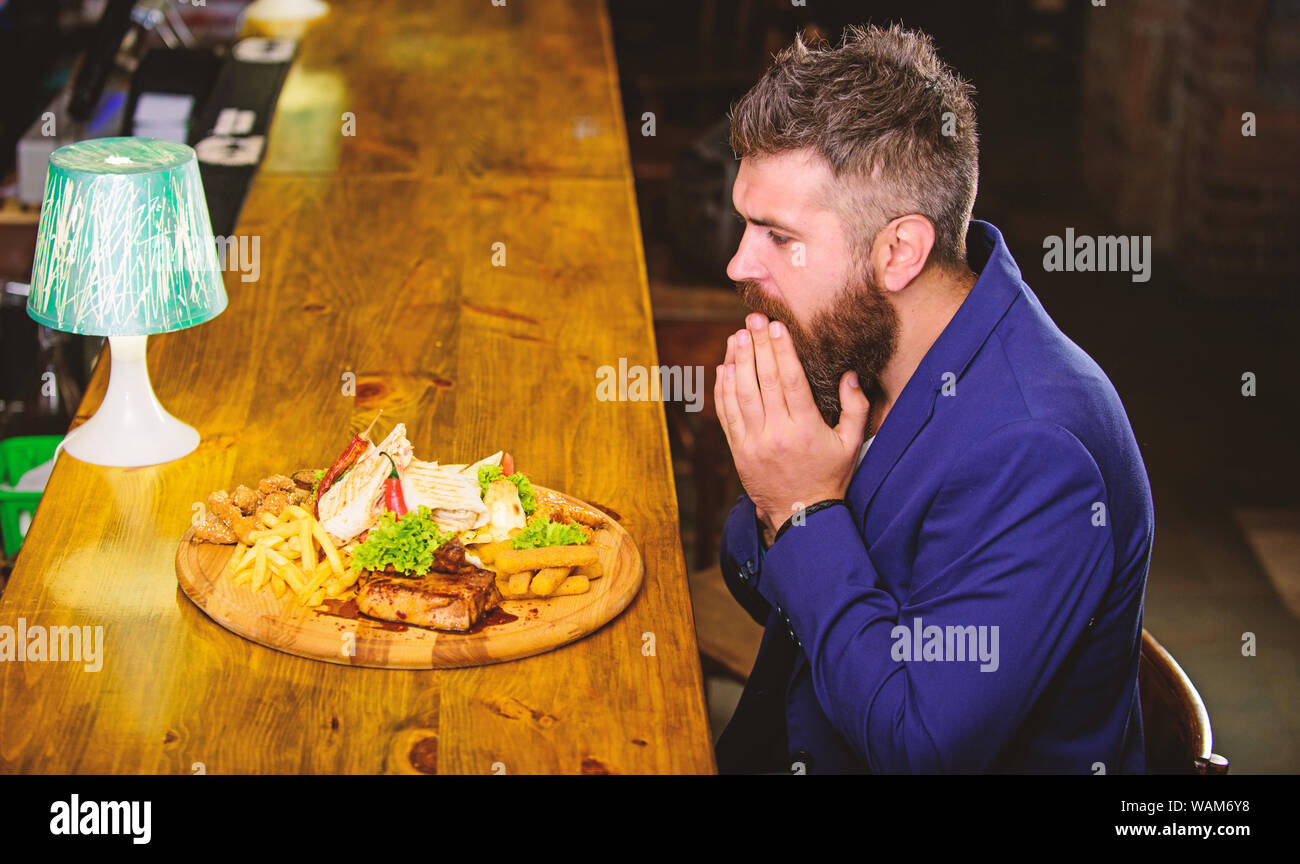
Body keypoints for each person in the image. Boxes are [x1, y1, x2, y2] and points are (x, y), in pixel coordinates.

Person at [712, 23, 1152, 773]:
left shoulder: (1039, 449)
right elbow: (764, 586)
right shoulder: (859, 343)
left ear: (899, 252)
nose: (737, 263)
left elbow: (922, 747)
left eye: (775, 235)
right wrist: (784, 495)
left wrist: (802, 510)